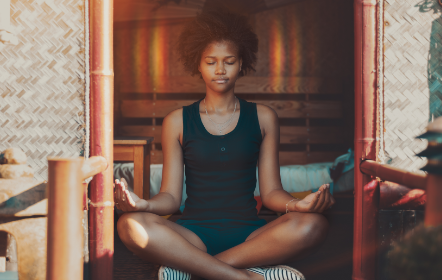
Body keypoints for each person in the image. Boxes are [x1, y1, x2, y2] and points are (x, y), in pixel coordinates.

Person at [114, 10, 335, 280]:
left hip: (250, 237)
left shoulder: (264, 117)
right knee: (130, 225)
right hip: (192, 234)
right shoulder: (177, 121)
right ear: (198, 64)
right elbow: (171, 197)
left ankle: (191, 270)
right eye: (211, 62)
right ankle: (248, 276)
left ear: (242, 63)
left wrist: (297, 206)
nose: (220, 70)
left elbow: (271, 192)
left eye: (229, 61)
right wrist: (143, 205)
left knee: (314, 225)